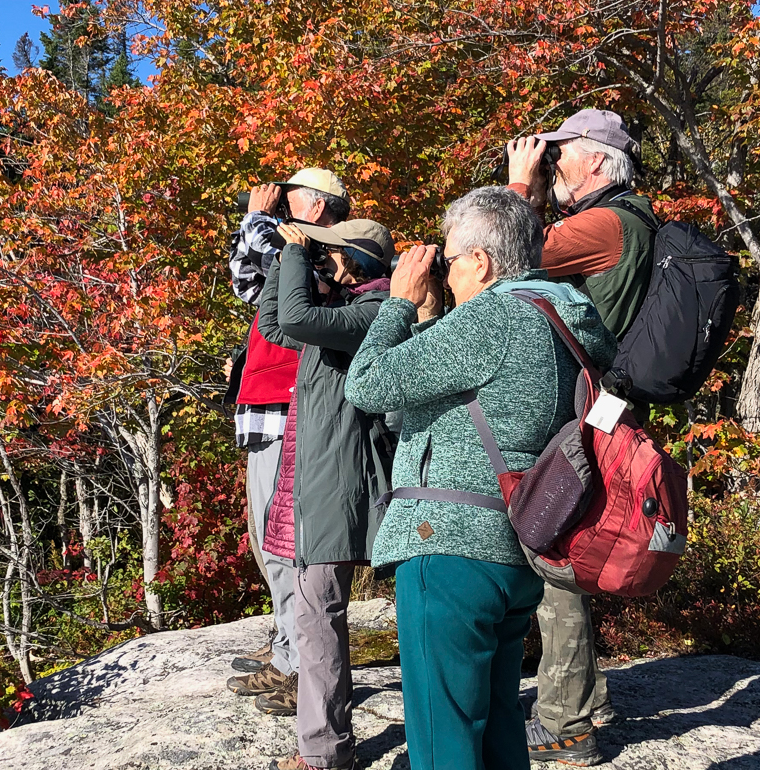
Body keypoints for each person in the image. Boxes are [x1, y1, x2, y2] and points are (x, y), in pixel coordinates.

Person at [345, 186, 617, 770]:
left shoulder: (493, 319)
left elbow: (367, 385)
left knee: (444, 738)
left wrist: (397, 305)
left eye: (449, 260)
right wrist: (428, 319)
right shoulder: (564, 319)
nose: (444, 274)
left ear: (481, 261)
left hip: (449, 545)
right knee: (496, 732)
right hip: (517, 547)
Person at [506, 108, 659, 765]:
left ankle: (566, 726)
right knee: (569, 536)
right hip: (607, 405)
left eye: (560, 150)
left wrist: (519, 188)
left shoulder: (604, 224)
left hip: (590, 408)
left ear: (596, 158)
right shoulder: (631, 219)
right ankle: (587, 700)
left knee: (555, 549)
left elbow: (506, 260)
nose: (551, 160)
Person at [259, 218, 396, 770]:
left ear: (356, 262)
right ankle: (324, 745)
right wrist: (282, 261)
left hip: (340, 480)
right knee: (316, 609)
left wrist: (297, 255)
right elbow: (275, 324)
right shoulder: (342, 311)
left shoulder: (374, 311)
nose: (322, 256)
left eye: (332, 251)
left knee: (319, 612)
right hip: (320, 478)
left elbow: (296, 318)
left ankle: (324, 753)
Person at [226, 168, 350, 716]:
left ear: (318, 206)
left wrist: (259, 217)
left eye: (289, 195)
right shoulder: (290, 251)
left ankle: (298, 661)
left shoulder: (324, 253)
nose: (277, 200)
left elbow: (268, 263)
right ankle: (285, 644)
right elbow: (248, 284)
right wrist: (258, 223)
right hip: (263, 407)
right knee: (266, 538)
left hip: (289, 406)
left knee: (284, 541)